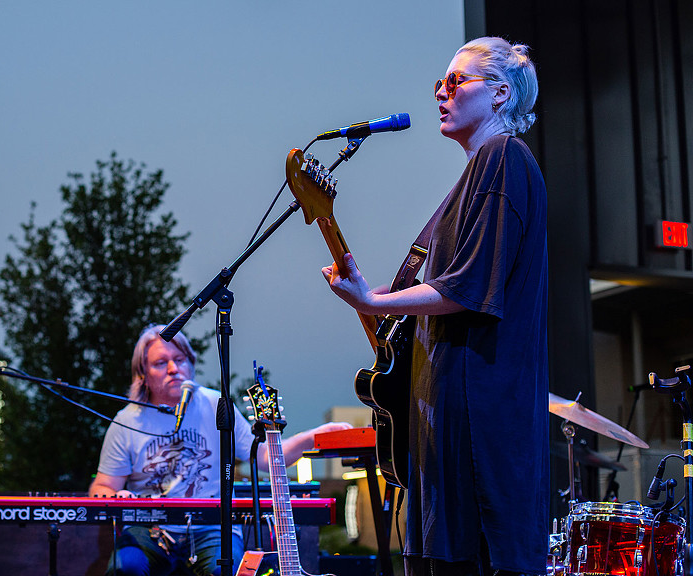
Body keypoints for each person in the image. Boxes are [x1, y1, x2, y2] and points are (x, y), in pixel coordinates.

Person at [322, 37, 548, 576]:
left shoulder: (503, 158)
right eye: (439, 83)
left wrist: (374, 299)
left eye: (456, 81)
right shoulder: (477, 174)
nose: (440, 92)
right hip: (445, 425)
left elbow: (466, 287)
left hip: (477, 431)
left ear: (500, 94)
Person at [89, 324, 350, 576]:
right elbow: (101, 487)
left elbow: (264, 457)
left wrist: (314, 437)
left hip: (210, 527)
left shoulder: (216, 404)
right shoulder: (126, 421)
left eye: (179, 359)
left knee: (227, 569)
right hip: (148, 528)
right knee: (125, 569)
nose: (173, 369)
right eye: (160, 363)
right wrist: (116, 495)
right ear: (142, 374)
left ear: (190, 363)